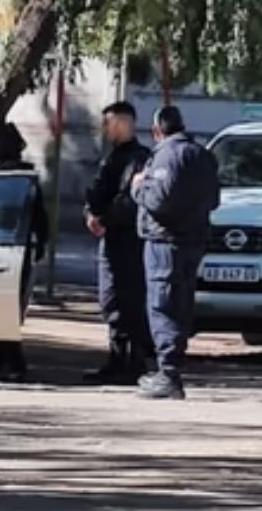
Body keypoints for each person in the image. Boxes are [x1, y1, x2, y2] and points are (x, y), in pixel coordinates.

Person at [131, 106, 220, 400]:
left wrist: (138, 188)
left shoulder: (167, 155)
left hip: (165, 241)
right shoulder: (203, 155)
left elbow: (160, 198)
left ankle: (168, 373)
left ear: (158, 131)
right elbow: (214, 200)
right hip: (193, 240)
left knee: (162, 303)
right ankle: (171, 366)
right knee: (181, 303)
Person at [83, 102, 154, 384]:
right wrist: (90, 214)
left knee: (127, 301)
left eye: (108, 123)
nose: (104, 129)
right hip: (112, 238)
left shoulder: (139, 159)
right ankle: (117, 360)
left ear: (123, 123)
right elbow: (98, 191)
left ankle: (131, 362)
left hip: (129, 241)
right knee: (111, 300)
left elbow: (130, 201)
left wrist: (105, 218)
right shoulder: (113, 157)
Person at [0, 123, 48, 382]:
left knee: (3, 310)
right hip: (20, 251)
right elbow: (41, 221)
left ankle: (13, 363)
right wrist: (40, 246)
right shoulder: (27, 181)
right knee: (7, 308)